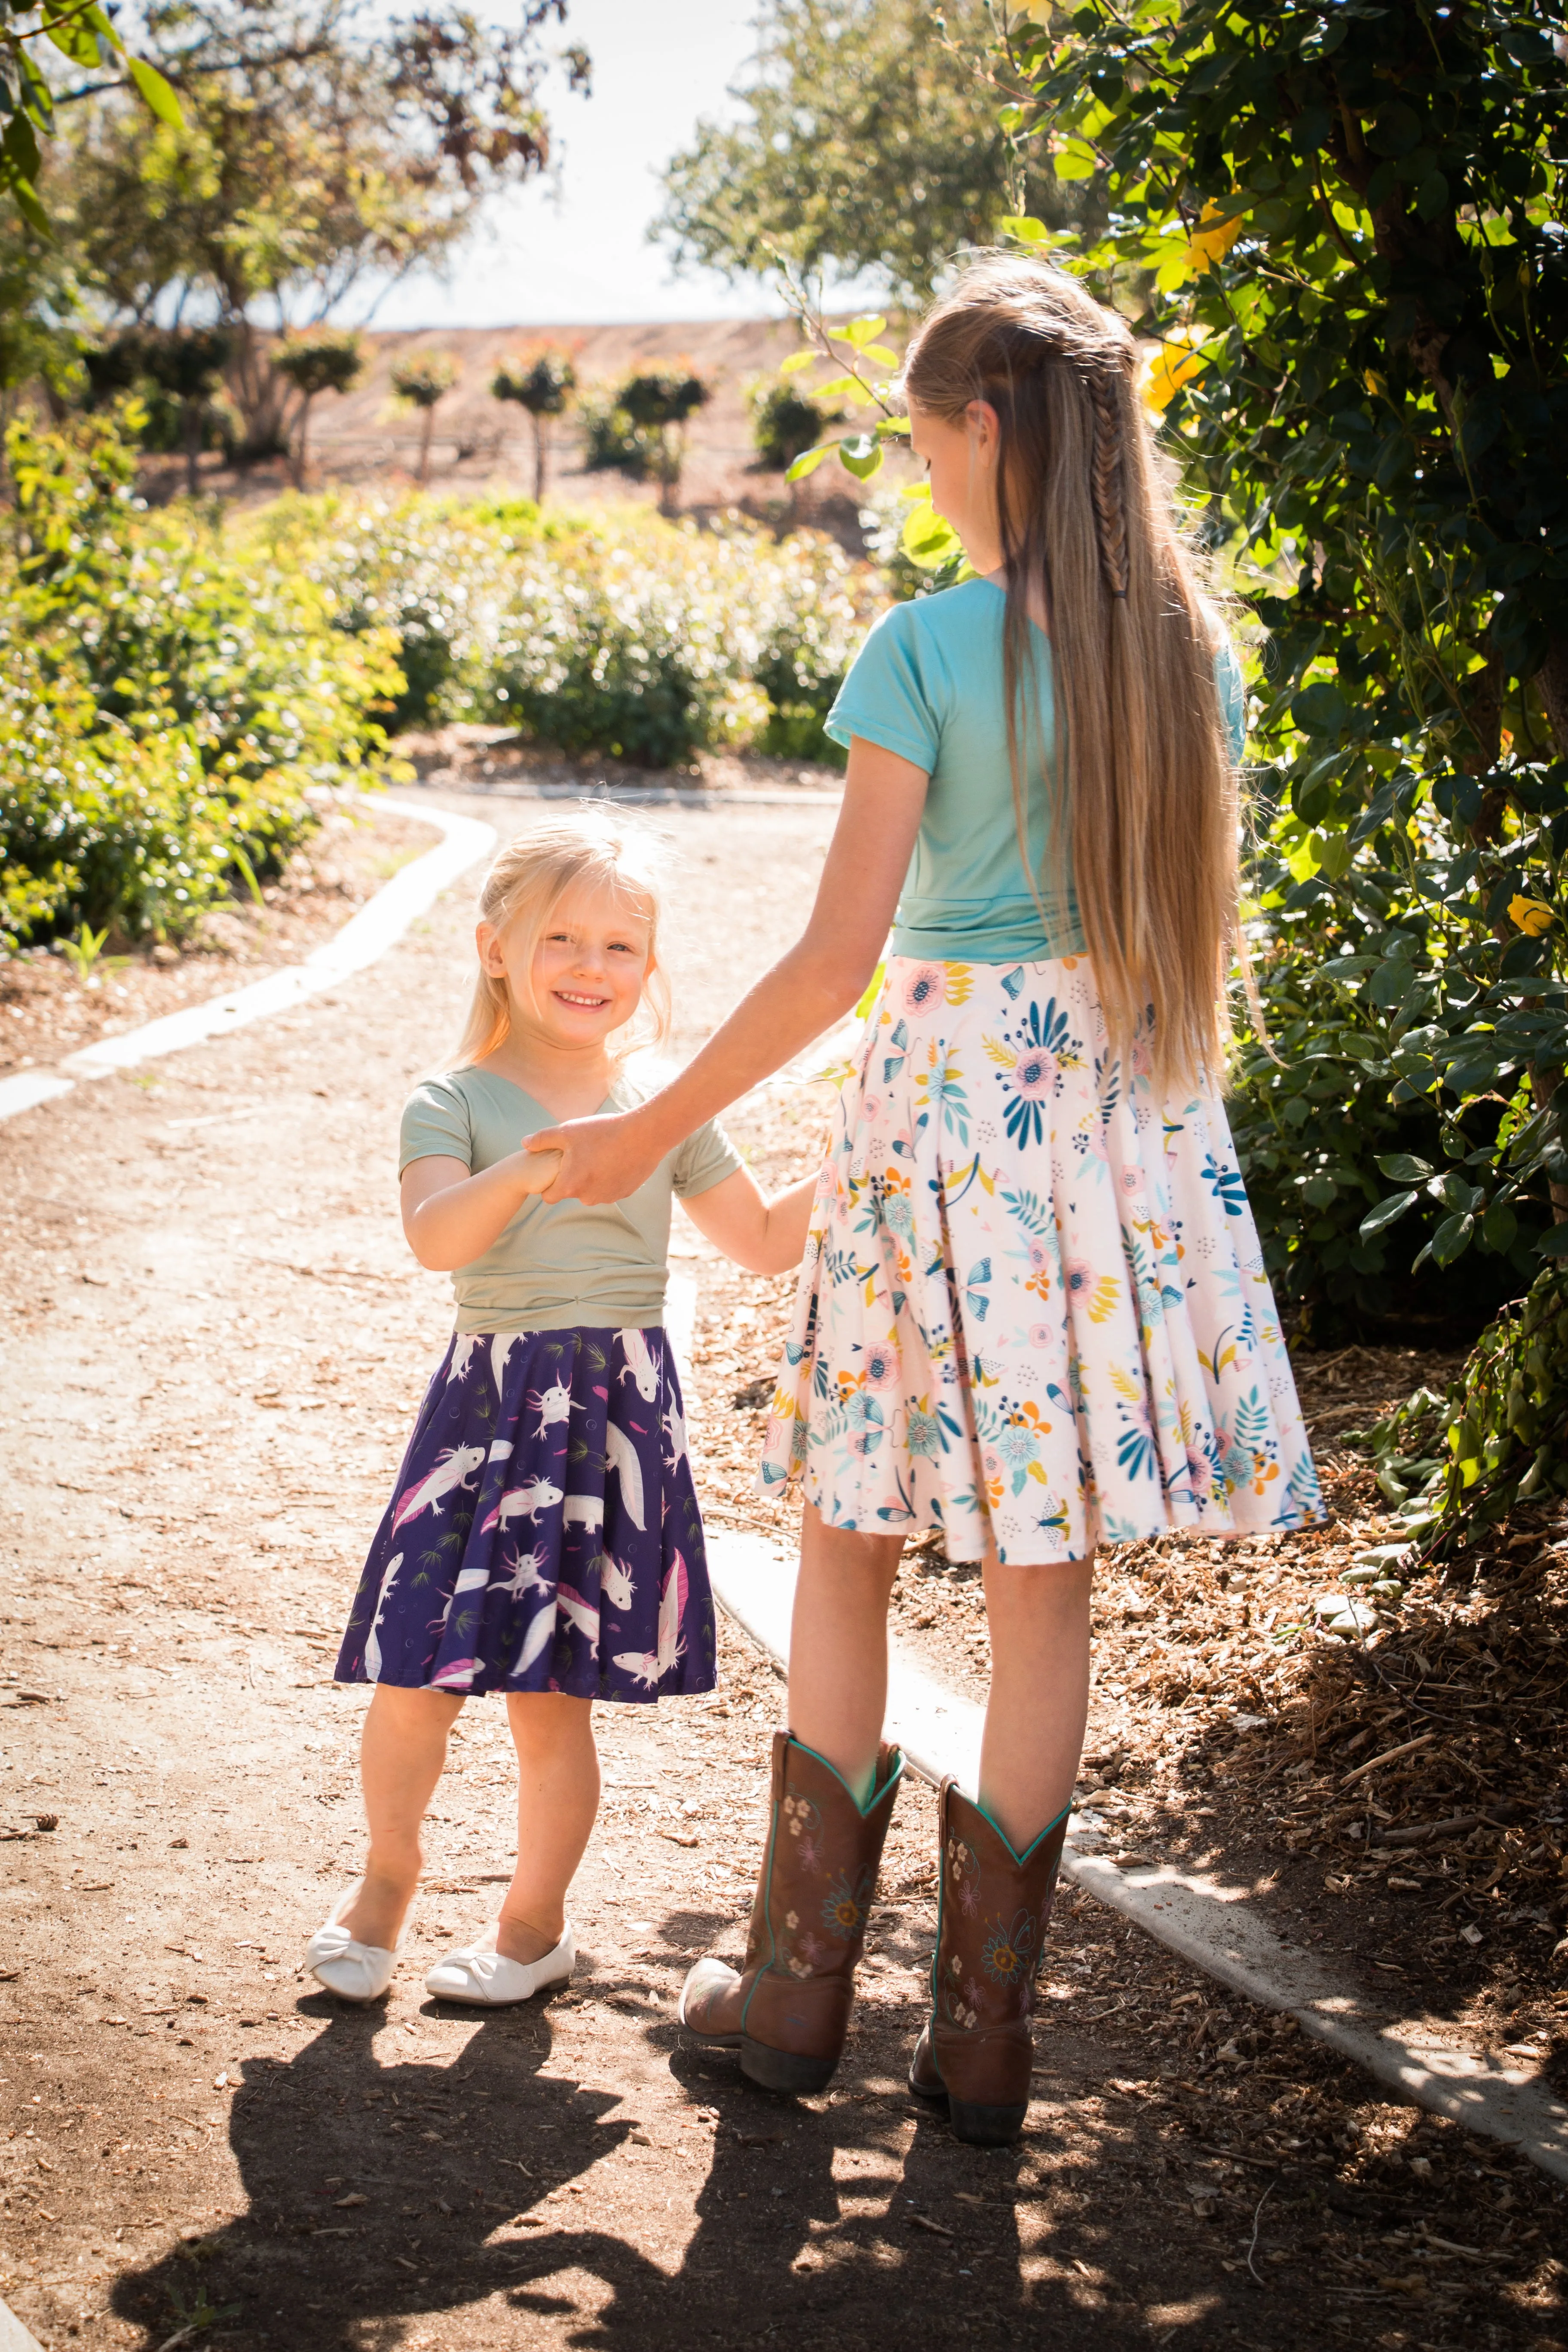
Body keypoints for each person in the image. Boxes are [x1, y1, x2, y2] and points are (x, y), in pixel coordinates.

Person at [524, 255, 1325, 2142]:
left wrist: (648, 1134)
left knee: (850, 1530)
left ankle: (796, 1996)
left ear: (987, 429)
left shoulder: (929, 648)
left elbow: (830, 967)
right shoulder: (1187, 651)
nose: (930, 482)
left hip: (947, 1116)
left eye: (928, 443)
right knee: (1051, 1586)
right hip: (1122, 1125)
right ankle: (985, 2045)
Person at [306, 812, 816, 2009]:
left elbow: (759, 1242)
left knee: (550, 1701)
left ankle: (534, 1929)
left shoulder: (663, 1104)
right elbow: (437, 1239)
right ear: (496, 948)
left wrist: (866, 1161)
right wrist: (539, 1162)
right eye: (563, 939)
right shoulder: (454, 1100)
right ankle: (386, 1880)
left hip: (609, 1418)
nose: (592, 968)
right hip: (485, 1409)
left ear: (651, 970)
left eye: (622, 948)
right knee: (411, 1671)